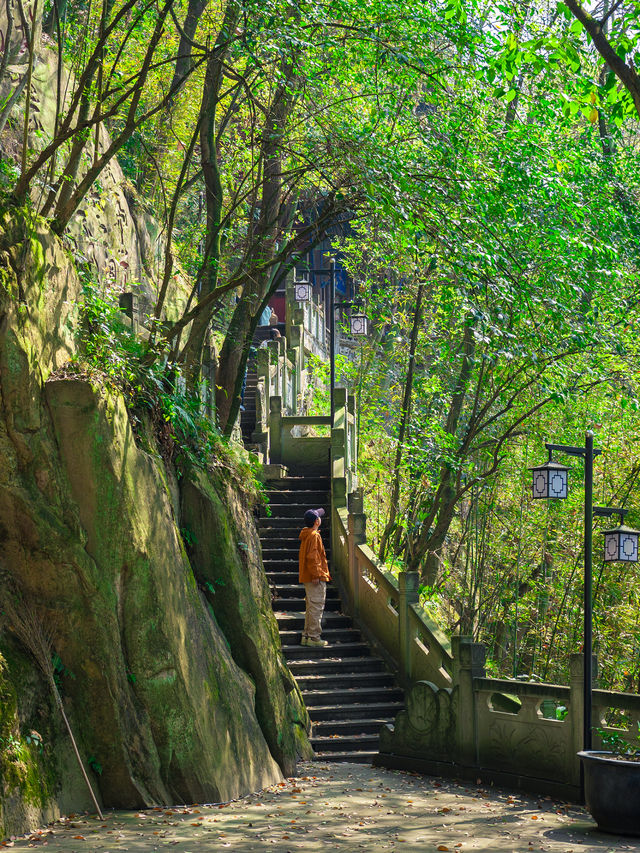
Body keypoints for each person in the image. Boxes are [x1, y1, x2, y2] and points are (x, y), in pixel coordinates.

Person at [298, 508, 331, 647]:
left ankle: (306, 636)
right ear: (317, 521)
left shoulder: (307, 534)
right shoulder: (314, 535)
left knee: (311, 607)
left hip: (308, 576)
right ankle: (313, 637)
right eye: (320, 517)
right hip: (314, 577)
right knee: (316, 606)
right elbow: (313, 557)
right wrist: (317, 574)